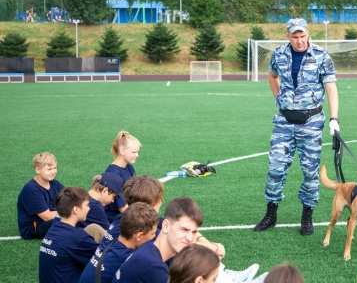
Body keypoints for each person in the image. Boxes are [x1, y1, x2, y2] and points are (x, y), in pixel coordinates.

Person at [254, 18, 339, 236]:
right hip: (284, 122)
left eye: (303, 36)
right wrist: (278, 99)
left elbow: (331, 88)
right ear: (288, 36)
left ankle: (307, 216)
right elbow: (272, 75)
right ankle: (271, 214)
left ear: (308, 34)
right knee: (275, 169)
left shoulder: (321, 56)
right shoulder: (279, 54)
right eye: (295, 36)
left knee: (310, 172)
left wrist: (334, 119)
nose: (299, 40)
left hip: (311, 122)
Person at [114, 197, 264, 283]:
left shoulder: (155, 249)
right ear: (166, 225)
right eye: (184, 230)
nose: (190, 238)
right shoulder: (153, 267)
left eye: (194, 232)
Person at [79, 202, 159, 283]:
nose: (154, 236)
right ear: (139, 236)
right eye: (152, 233)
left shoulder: (111, 242)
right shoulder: (130, 260)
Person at [38, 186, 98, 283]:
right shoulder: (78, 238)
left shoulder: (53, 229)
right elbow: (105, 259)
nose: (89, 208)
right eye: (87, 205)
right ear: (76, 209)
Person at [100, 175, 164, 248]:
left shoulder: (123, 216)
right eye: (160, 198)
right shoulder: (147, 231)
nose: (162, 201)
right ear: (152, 203)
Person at [17, 152, 65, 239]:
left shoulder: (54, 183)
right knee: (68, 219)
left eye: (55, 168)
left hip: (50, 220)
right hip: (34, 227)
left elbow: (71, 196)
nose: (53, 172)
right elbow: (46, 216)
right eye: (49, 169)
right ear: (38, 170)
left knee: (81, 214)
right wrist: (69, 211)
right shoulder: (32, 189)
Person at [105, 131, 142, 222]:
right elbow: (121, 207)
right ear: (122, 151)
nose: (137, 155)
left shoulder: (130, 167)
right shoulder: (112, 173)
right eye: (134, 152)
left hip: (128, 211)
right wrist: (139, 219)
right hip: (115, 218)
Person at [78, 172, 125, 243]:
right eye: (113, 196)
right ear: (104, 190)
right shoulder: (94, 205)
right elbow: (110, 233)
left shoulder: (82, 197)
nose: (113, 201)